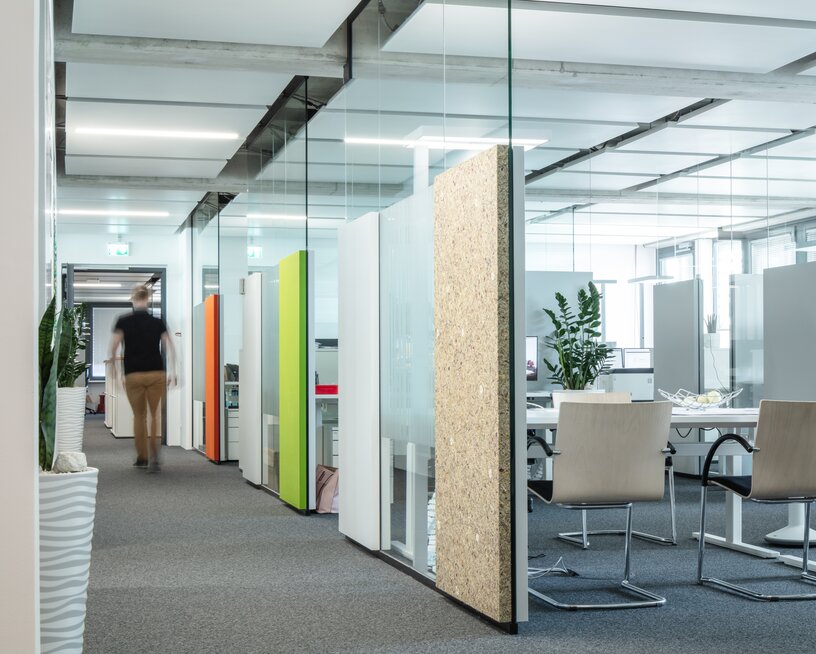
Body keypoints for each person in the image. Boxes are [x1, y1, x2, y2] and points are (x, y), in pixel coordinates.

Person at [109, 284, 177, 472]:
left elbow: (113, 348)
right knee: (155, 415)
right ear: (147, 299)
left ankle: (142, 457)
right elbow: (170, 347)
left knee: (139, 416)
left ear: (133, 299)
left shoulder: (122, 321)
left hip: (133, 374)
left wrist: (115, 374)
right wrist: (174, 371)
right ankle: (155, 454)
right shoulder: (158, 322)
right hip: (157, 373)